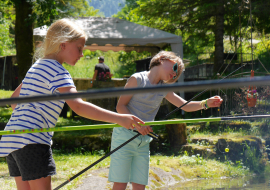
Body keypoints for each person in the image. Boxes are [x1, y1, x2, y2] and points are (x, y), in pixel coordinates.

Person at [0, 18, 144, 190]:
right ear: (63, 45)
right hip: (33, 140)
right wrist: (119, 118)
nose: (82, 54)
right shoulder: (58, 71)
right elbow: (79, 106)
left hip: (13, 137)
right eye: (79, 48)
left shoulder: (37, 66)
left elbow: (14, 101)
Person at [108, 51, 223, 190]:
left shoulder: (164, 88)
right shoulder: (137, 79)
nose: (175, 75)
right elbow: (120, 106)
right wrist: (137, 125)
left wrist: (205, 103)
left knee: (139, 186)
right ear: (163, 59)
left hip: (143, 141)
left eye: (177, 74)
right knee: (120, 184)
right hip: (124, 136)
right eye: (175, 69)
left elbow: (185, 106)